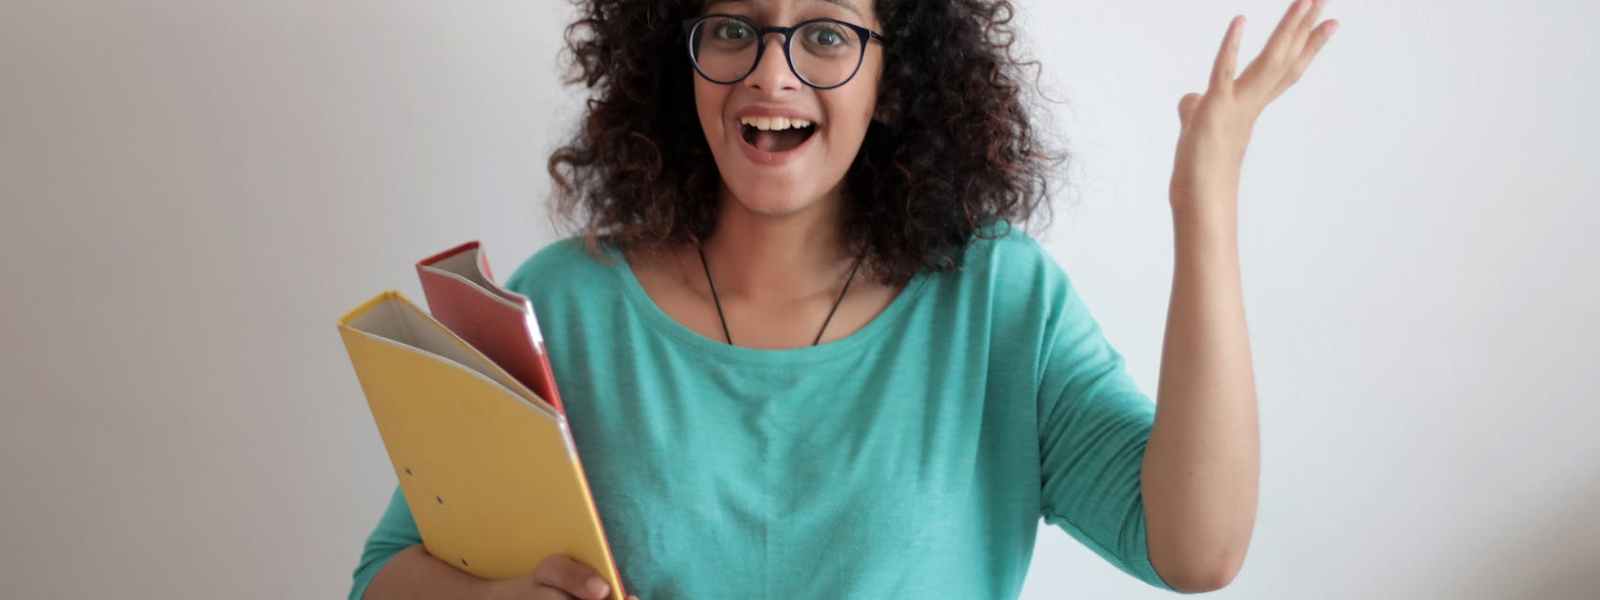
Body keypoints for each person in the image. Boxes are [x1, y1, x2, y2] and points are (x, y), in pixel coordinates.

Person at [349, 0, 1337, 598]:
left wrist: (1202, 199)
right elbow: (385, 578)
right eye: (734, 28)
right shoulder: (566, 304)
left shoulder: (994, 300)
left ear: (894, 72)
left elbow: (1198, 549)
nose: (770, 74)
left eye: (825, 34)